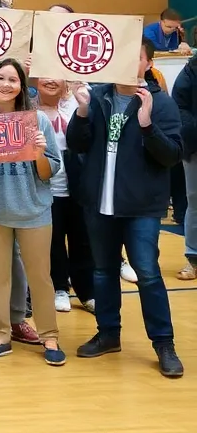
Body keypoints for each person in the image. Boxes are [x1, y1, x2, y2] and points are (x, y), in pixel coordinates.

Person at [66, 40, 184, 378]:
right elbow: (77, 144)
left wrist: (147, 125)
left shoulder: (160, 103)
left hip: (141, 206)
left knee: (147, 273)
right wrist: (83, 112)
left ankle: (164, 343)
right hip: (98, 202)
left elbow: (171, 156)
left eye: (138, 59)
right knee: (102, 271)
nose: (129, 63)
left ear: (147, 64)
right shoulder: (99, 96)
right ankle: (108, 334)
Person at [0, 58, 64, 366]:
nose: (6, 84)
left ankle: (49, 335)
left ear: (22, 86)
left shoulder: (38, 121)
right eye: (0, 78)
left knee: (40, 276)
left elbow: (49, 172)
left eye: (13, 79)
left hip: (34, 209)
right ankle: (0, 335)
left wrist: (37, 152)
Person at [35, 77, 94, 314]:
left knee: (82, 238)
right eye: (44, 75)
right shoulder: (28, 107)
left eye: (55, 75)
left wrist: (83, 105)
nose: (50, 80)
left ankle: (87, 291)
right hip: (46, 184)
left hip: (78, 183)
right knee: (53, 240)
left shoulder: (77, 99)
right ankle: (60, 287)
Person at [173, 38, 197, 280]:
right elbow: (180, 108)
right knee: (195, 202)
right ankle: (194, 257)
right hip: (195, 147)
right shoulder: (189, 71)